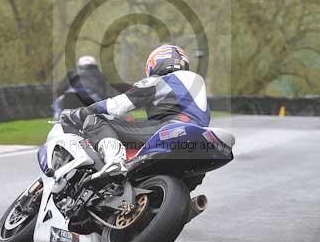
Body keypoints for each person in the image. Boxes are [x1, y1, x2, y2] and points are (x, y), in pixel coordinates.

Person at [60, 44, 209, 181]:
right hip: (197, 143)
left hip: (169, 129)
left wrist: (79, 113)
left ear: (156, 63)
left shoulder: (158, 81)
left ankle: (114, 163)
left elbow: (117, 106)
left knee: (96, 120)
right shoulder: (197, 83)